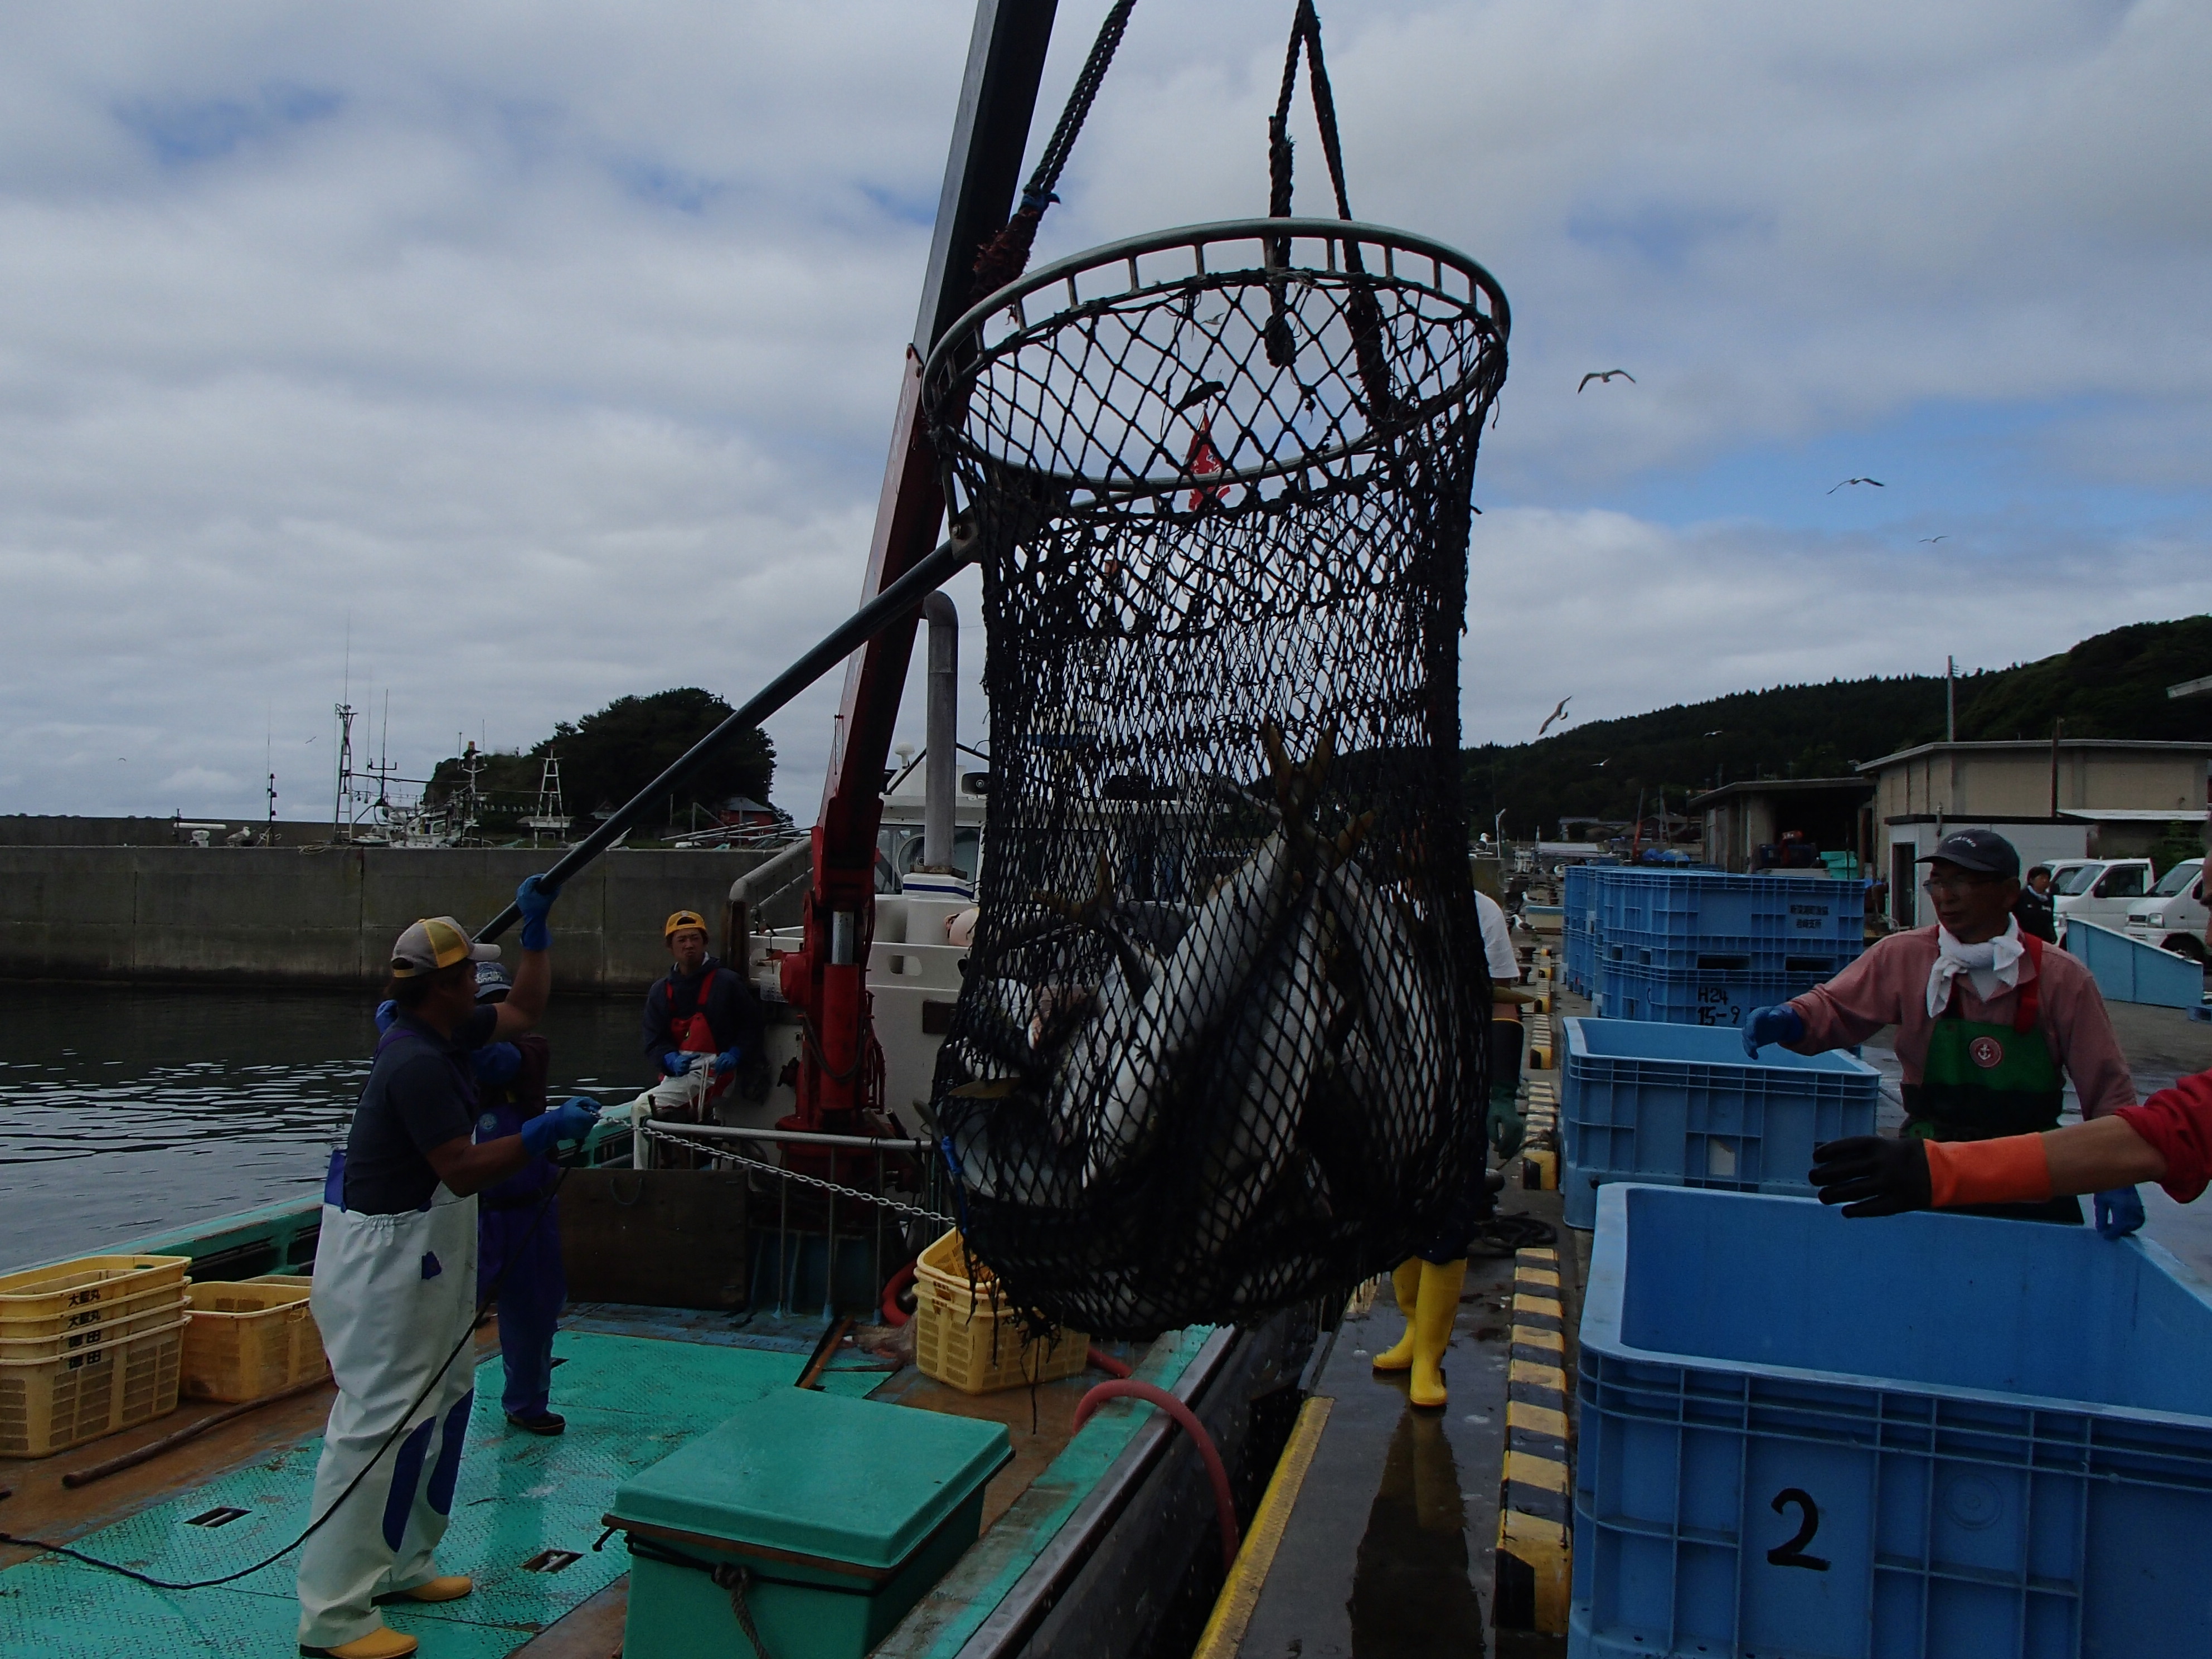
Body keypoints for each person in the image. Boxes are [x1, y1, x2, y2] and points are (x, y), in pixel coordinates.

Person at [297, 879, 599, 1659]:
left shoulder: (448, 1033)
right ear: (440, 989)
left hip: (430, 1247)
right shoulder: (416, 1065)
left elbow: (527, 1008)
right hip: (388, 1255)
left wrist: (539, 934)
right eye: (470, 974)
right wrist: (539, 1136)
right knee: (379, 1424)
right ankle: (333, 1615)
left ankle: (402, 1564)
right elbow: (462, 1168)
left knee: (446, 1403)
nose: (481, 985)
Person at [1740, 828, 2136, 1226]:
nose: (1946, 896)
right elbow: (1835, 1007)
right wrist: (1792, 1019)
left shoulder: (2063, 977)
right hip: (1926, 1167)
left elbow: (2105, 1084)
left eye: (1963, 881)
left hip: (2031, 1170)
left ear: (2009, 892)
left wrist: (2117, 1170)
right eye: (1938, 883)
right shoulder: (1905, 956)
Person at [1370, 889, 1524, 1411]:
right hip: (1390, 1088)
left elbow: (1503, 997)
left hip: (1458, 1086)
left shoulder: (1481, 910)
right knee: (1398, 1215)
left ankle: (1429, 1357)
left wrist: (1502, 1089)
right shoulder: (1376, 900)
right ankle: (1413, 1329)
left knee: (1451, 1218)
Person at [1811, 1067, 2210, 1234]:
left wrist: (1942, 1169)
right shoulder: (1905, 958)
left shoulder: (2060, 975)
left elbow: (2162, 1134)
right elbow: (2173, 1130)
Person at [465, 961, 570, 1438]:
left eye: (503, 1004)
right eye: (485, 1006)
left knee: (533, 1313)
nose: (495, 1013)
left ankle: (526, 1403)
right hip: (468, 1212)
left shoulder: (530, 1049)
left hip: (527, 1210)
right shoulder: (441, 1061)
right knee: (443, 1313)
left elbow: (495, 1061)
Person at [642, 908, 763, 1113]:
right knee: (659, 1109)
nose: (689, 945)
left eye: (694, 938)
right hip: (679, 1077)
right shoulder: (660, 991)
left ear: (705, 942)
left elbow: (752, 1026)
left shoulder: (727, 982)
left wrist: (736, 1053)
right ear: (670, 946)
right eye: (681, 940)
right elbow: (654, 1041)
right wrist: (670, 1059)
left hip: (718, 1076)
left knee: (642, 1108)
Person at [2014, 864, 2057, 943]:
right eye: (2042, 878)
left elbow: (2050, 920)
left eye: (2047, 878)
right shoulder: (2021, 896)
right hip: (2025, 940)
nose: (2045, 881)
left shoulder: (2049, 898)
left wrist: (2053, 935)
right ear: (2031, 880)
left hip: (2044, 941)